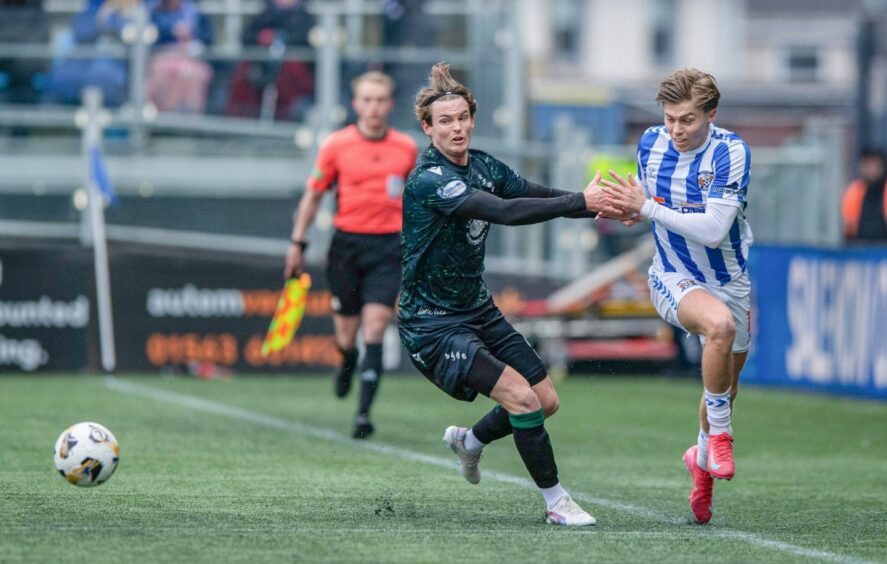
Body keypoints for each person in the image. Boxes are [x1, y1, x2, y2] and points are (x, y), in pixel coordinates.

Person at [398, 63, 623, 526]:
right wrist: (579, 202)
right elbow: (503, 211)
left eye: (462, 117)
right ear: (428, 128)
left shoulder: (482, 164)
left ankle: (471, 442)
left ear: (472, 119)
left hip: (476, 310)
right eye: (445, 121)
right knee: (521, 399)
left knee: (546, 401)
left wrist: (597, 205)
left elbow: (532, 193)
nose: (456, 127)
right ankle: (557, 503)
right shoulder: (428, 179)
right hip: (432, 325)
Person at [599, 68, 752, 525]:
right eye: (669, 119)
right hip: (672, 274)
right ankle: (721, 439)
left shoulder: (732, 152)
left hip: (729, 278)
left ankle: (700, 465)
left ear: (711, 115)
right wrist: (635, 208)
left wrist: (644, 207)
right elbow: (653, 198)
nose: (676, 130)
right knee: (719, 327)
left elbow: (713, 230)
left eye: (687, 120)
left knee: (724, 382)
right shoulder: (651, 142)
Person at [284, 71, 418, 439]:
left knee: (375, 326)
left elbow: (418, 199)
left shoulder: (406, 148)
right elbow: (313, 195)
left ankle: (363, 414)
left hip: (389, 247)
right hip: (346, 246)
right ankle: (346, 360)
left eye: (380, 100)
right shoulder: (336, 145)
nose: (374, 107)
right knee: (347, 333)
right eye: (367, 100)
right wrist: (298, 243)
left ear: (390, 105)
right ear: (356, 103)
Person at [842, 147, 887, 244]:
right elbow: (848, 229)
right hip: (860, 250)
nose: (870, 169)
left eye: (874, 164)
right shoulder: (853, 191)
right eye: (867, 164)